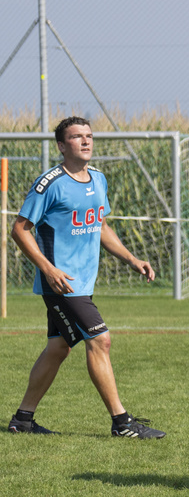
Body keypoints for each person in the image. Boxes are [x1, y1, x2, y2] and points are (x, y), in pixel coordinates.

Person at [7, 117, 164, 439]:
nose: (86, 141)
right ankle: (122, 423)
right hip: (62, 284)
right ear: (62, 146)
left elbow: (101, 226)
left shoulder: (98, 179)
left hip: (83, 282)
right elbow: (19, 229)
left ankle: (23, 419)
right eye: (77, 137)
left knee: (58, 348)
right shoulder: (49, 183)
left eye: (89, 136)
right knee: (100, 340)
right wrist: (48, 269)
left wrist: (132, 259)